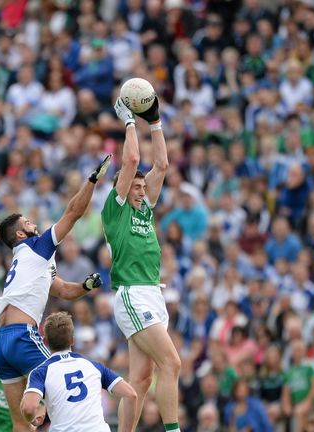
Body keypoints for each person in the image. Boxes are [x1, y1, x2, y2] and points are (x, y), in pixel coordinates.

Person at [0, 154, 111, 431]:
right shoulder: (35, 247)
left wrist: (85, 287)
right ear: (20, 234)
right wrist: (92, 180)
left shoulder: (33, 259)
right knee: (68, 392)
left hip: (1, 342)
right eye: (27, 222)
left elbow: (64, 291)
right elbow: (73, 214)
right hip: (23, 335)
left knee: (20, 423)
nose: (33, 223)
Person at [102, 96, 181, 432]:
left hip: (152, 293)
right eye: (134, 183)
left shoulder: (145, 207)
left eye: (141, 185)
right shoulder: (115, 208)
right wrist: (130, 120)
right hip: (132, 293)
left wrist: (156, 122)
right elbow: (133, 158)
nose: (140, 188)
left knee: (142, 378)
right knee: (171, 362)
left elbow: (160, 165)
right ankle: (174, 430)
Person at [21, 312, 137, 432]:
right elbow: (131, 395)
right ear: (72, 340)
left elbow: (29, 408)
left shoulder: (40, 372)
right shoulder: (95, 366)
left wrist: (31, 419)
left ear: (45, 342)